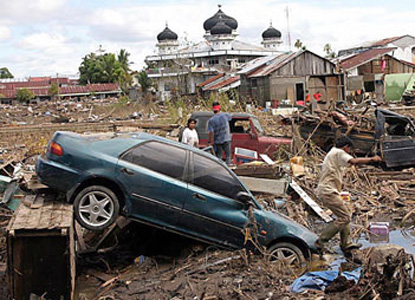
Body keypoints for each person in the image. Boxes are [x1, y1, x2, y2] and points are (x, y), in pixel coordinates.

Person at [315, 136, 382, 254]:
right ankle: (321, 241)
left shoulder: (333, 153)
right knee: (345, 217)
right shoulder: (339, 152)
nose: (350, 153)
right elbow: (354, 161)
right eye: (350, 150)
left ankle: (346, 243)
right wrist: (372, 159)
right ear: (346, 147)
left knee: (345, 215)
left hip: (327, 190)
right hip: (328, 191)